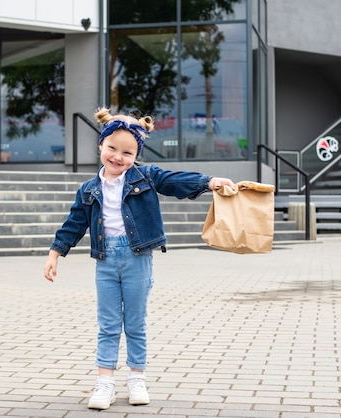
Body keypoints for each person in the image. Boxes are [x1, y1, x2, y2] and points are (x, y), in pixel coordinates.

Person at [43, 107, 235, 410]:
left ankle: (136, 378)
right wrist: (55, 253)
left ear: (136, 154)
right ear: (101, 146)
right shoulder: (89, 189)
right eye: (112, 149)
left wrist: (209, 182)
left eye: (127, 152)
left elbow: (174, 180)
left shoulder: (145, 176)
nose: (118, 157)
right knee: (107, 324)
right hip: (105, 260)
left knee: (135, 323)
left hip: (137, 258)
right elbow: (74, 223)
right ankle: (104, 383)